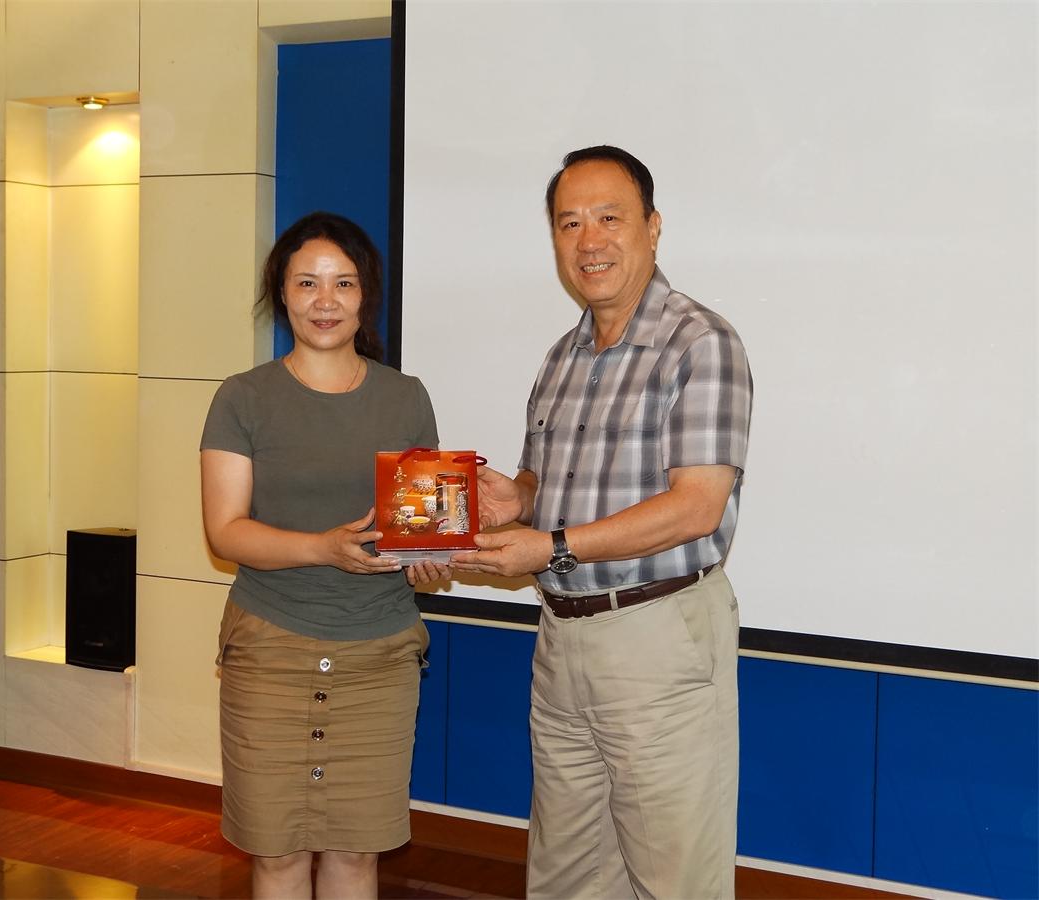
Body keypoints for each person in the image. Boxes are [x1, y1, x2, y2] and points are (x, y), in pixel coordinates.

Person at [452, 146, 753, 899]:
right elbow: (542, 483)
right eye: (569, 223)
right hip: (562, 641)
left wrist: (549, 545)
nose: (590, 240)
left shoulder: (700, 343)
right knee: (568, 878)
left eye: (610, 218)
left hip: (658, 640)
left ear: (653, 226)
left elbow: (696, 506)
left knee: (675, 881)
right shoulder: (563, 357)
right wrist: (515, 499)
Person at [199, 211, 445, 899]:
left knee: (355, 855)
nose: (325, 300)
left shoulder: (406, 397)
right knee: (277, 855)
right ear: (282, 293)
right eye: (307, 282)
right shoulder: (243, 398)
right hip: (268, 649)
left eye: (343, 283)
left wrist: (430, 559)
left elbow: (420, 528)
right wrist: (323, 549)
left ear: (367, 294)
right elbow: (225, 532)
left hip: (380, 656)